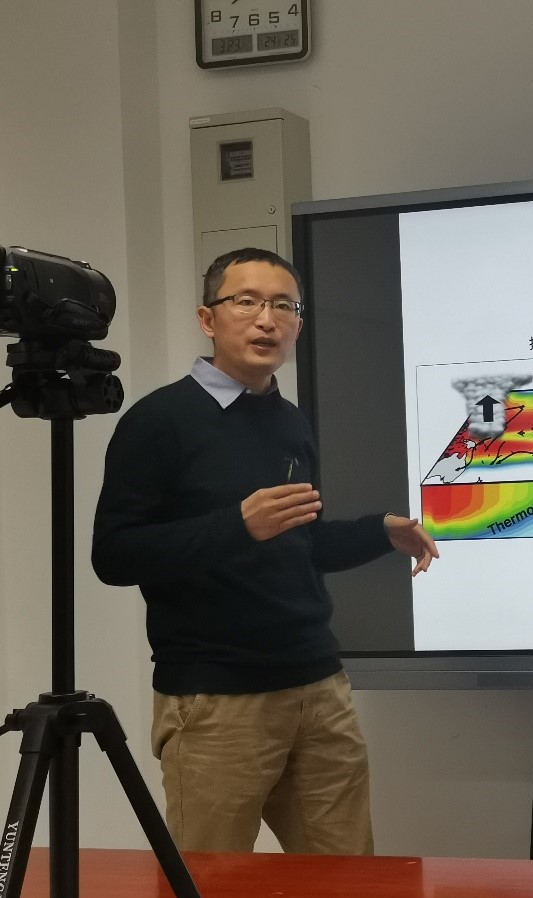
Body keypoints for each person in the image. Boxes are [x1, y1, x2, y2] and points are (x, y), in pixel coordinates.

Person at [91, 247, 438, 855]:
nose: (266, 320)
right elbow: (115, 555)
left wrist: (377, 532)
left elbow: (297, 542)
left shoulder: (290, 422)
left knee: (348, 887)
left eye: (284, 306)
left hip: (318, 689)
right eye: (246, 302)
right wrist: (235, 525)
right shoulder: (159, 421)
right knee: (211, 891)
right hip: (216, 700)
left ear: (298, 324)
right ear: (207, 318)